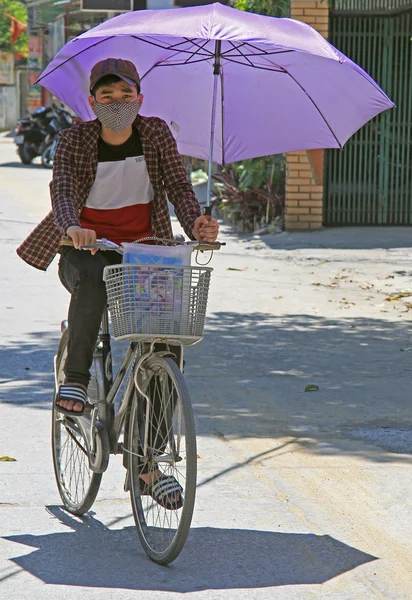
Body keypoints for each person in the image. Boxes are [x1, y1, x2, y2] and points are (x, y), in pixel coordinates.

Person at [17, 58, 219, 507]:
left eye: (125, 95)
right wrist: (73, 227)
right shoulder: (74, 139)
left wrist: (196, 224)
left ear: (139, 99)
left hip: (147, 250)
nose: (117, 103)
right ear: (93, 102)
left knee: (166, 343)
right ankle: (75, 378)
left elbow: (179, 188)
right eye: (106, 96)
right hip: (84, 248)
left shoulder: (157, 134)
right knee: (92, 282)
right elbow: (64, 189)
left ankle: (147, 463)